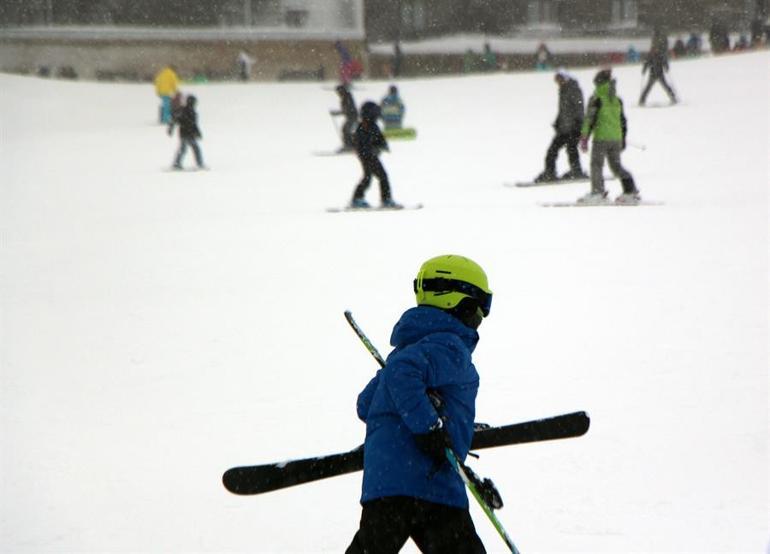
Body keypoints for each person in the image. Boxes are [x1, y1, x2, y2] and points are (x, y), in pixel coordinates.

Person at [347, 254, 492, 554]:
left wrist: (449, 421)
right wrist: (429, 428)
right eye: (480, 306)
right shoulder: (449, 345)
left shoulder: (406, 352)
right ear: (457, 301)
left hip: (385, 487)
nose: (480, 317)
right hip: (433, 488)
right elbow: (402, 377)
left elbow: (367, 405)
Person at [578, 69, 640, 205]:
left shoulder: (596, 99)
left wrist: (584, 138)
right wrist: (623, 138)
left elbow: (589, 119)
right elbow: (623, 121)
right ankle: (630, 190)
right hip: (616, 138)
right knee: (616, 166)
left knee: (596, 165)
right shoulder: (617, 99)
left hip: (601, 138)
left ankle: (598, 192)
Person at [534, 69, 587, 183]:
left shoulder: (573, 89)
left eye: (559, 79)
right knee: (556, 150)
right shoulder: (563, 90)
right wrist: (558, 122)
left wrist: (579, 123)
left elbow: (579, 108)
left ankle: (573, 172)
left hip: (573, 128)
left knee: (568, 149)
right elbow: (563, 110)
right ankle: (553, 172)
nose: (557, 82)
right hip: (564, 128)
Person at [350, 102, 399, 209]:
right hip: (366, 156)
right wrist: (370, 150)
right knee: (377, 176)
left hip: (371, 155)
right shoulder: (363, 127)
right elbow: (360, 143)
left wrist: (383, 144)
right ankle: (383, 199)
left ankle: (359, 198)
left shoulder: (373, 126)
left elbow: (379, 137)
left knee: (371, 176)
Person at [168, 94, 205, 170]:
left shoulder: (186, 111)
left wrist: (171, 128)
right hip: (187, 133)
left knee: (188, 149)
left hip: (187, 133)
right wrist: (198, 132)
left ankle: (178, 163)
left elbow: (175, 120)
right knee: (189, 149)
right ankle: (198, 163)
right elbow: (193, 124)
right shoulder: (188, 112)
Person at [331, 84, 358, 152]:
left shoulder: (347, 97)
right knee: (346, 130)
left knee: (346, 130)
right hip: (351, 116)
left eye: (338, 91)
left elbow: (348, 109)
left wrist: (337, 113)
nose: (337, 93)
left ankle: (349, 146)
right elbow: (346, 109)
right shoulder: (345, 97)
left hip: (352, 117)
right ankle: (350, 145)